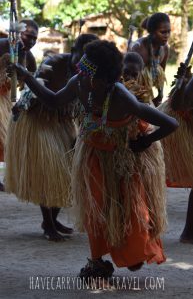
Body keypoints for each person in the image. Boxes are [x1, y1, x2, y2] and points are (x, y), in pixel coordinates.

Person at [8, 40, 178, 280]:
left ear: (100, 79)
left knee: (129, 214)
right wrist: (27, 77)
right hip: (92, 158)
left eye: (85, 70)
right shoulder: (79, 83)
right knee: (95, 210)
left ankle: (131, 253)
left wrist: (145, 142)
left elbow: (171, 123)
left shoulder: (121, 96)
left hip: (122, 163)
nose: (79, 71)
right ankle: (97, 260)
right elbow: (54, 100)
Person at [5, 34, 99, 241]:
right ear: (73, 50)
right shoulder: (53, 63)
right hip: (36, 119)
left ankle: (52, 219)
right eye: (80, 58)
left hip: (62, 120)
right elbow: (40, 95)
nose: (82, 64)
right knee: (51, 169)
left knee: (68, 172)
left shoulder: (91, 71)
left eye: (88, 60)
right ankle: (48, 223)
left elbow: (77, 103)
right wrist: (27, 80)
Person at [0, 19, 38, 191]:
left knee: (5, 141)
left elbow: (33, 83)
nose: (31, 41)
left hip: (6, 100)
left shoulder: (28, 57)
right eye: (28, 36)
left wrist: (23, 103)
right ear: (16, 33)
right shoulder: (1, 45)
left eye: (34, 38)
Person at [158, 63, 193, 244]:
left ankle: (189, 232)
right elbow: (179, 104)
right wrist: (183, 83)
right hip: (177, 128)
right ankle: (188, 233)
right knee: (153, 175)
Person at [131, 12, 171, 106]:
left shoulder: (165, 48)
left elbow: (162, 72)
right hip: (134, 94)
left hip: (148, 94)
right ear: (152, 32)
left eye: (169, 31)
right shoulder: (138, 48)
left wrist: (160, 94)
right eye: (163, 32)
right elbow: (129, 79)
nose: (167, 35)